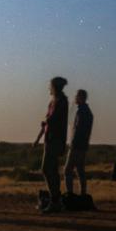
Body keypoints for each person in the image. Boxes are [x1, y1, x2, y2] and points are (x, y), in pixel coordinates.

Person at [39, 76, 69, 213]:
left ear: (55, 87)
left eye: (50, 86)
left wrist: (47, 122)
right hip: (50, 138)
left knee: (46, 168)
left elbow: (55, 120)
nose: (49, 88)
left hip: (54, 139)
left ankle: (55, 200)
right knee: (51, 170)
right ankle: (56, 200)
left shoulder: (61, 101)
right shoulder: (55, 101)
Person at [64, 88, 93, 198]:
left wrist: (72, 144)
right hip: (83, 146)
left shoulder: (81, 111)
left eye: (77, 96)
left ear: (81, 97)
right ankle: (83, 194)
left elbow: (78, 129)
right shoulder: (88, 112)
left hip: (76, 145)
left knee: (68, 170)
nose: (75, 98)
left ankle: (70, 194)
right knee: (80, 170)